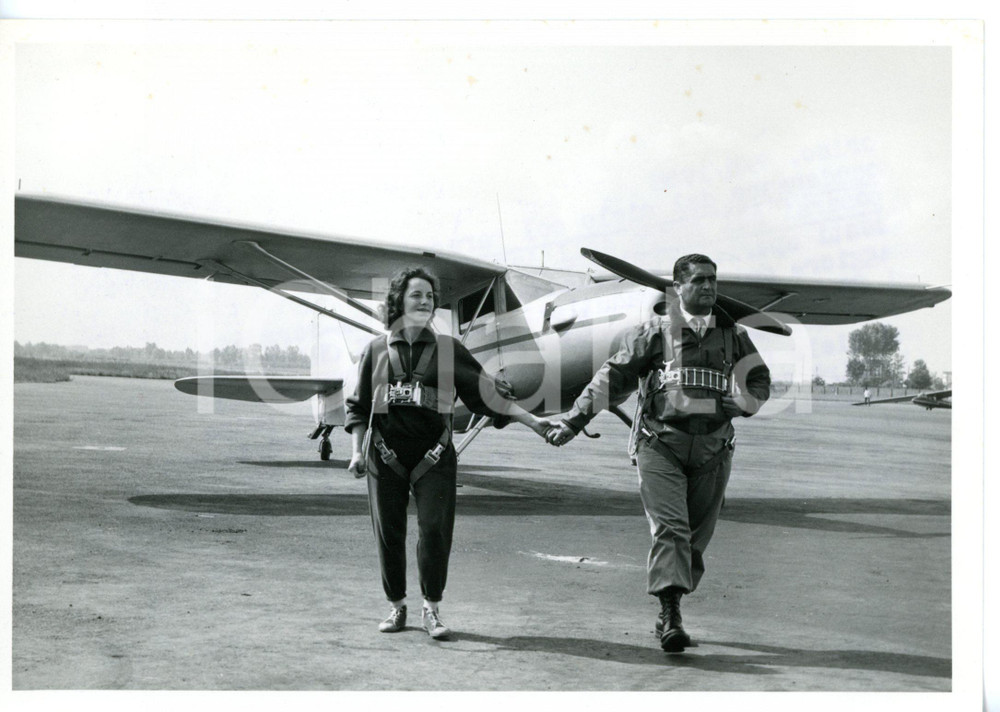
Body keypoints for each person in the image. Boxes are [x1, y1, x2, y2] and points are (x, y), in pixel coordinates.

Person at [546, 254, 771, 653]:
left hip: (714, 450)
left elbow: (759, 378)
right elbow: (611, 376)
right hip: (661, 444)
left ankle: (673, 603)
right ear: (678, 287)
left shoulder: (732, 335)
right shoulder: (653, 332)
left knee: (696, 539)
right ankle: (670, 615)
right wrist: (573, 421)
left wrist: (748, 402)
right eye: (699, 280)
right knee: (671, 530)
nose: (708, 286)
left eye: (713, 280)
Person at [345, 267, 554, 640]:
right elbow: (358, 408)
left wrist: (532, 421)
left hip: (435, 457)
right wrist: (356, 453)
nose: (425, 302)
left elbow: (489, 397)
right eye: (416, 295)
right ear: (399, 301)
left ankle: (432, 609)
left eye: (429, 296)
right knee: (389, 534)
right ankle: (396, 606)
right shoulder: (375, 351)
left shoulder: (449, 350)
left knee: (435, 531)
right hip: (383, 456)